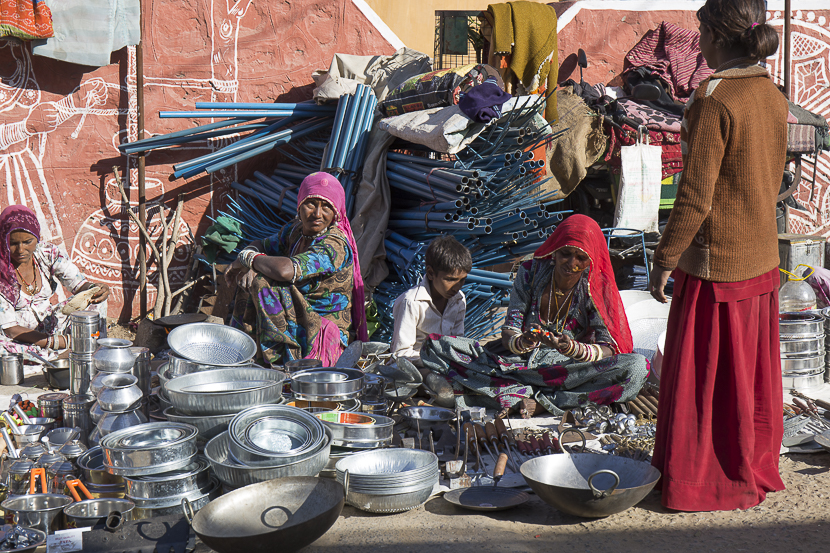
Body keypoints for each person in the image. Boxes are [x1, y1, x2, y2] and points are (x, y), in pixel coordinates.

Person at [648, 0, 787, 512]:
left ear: (719, 37)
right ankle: (751, 463)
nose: (697, 39)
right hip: (760, 257)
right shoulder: (772, 94)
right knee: (748, 377)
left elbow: (695, 196)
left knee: (708, 379)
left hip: (718, 265)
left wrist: (664, 258)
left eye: (702, 30)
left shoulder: (714, 98)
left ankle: (707, 479)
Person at [421, 214, 649, 415]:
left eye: (580, 258)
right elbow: (510, 329)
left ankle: (543, 402)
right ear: (555, 252)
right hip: (517, 364)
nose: (571, 264)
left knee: (638, 367)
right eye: (565, 254)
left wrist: (571, 348)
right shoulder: (530, 272)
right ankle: (522, 394)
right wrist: (522, 341)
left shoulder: (594, 287)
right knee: (437, 347)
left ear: (590, 259)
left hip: (567, 370)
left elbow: (607, 347)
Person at [226, 172, 368, 366]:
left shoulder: (335, 245)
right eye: (311, 204)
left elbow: (286, 270)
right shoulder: (295, 231)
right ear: (299, 205)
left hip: (320, 330)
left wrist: (248, 259)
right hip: (297, 315)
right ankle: (245, 351)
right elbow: (261, 244)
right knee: (251, 277)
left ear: (336, 211)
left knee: (261, 281)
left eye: (326, 206)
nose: (317, 214)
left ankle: (278, 361)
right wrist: (249, 257)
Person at [0, 205, 109, 359]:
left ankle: (93, 345)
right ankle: (59, 354)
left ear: (36, 237)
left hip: (52, 324)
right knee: (3, 347)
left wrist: (94, 288)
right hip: (21, 337)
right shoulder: (2, 272)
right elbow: (10, 329)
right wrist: (54, 342)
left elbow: (79, 285)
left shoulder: (47, 253)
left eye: (27, 242)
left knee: (97, 298)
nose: (20, 250)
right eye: (13, 243)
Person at [391, 235, 470, 367]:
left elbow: (458, 342)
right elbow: (401, 353)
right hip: (415, 367)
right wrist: (435, 362)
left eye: (462, 280)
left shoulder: (459, 300)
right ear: (431, 273)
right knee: (434, 380)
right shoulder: (411, 302)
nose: (457, 287)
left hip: (445, 365)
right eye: (450, 279)